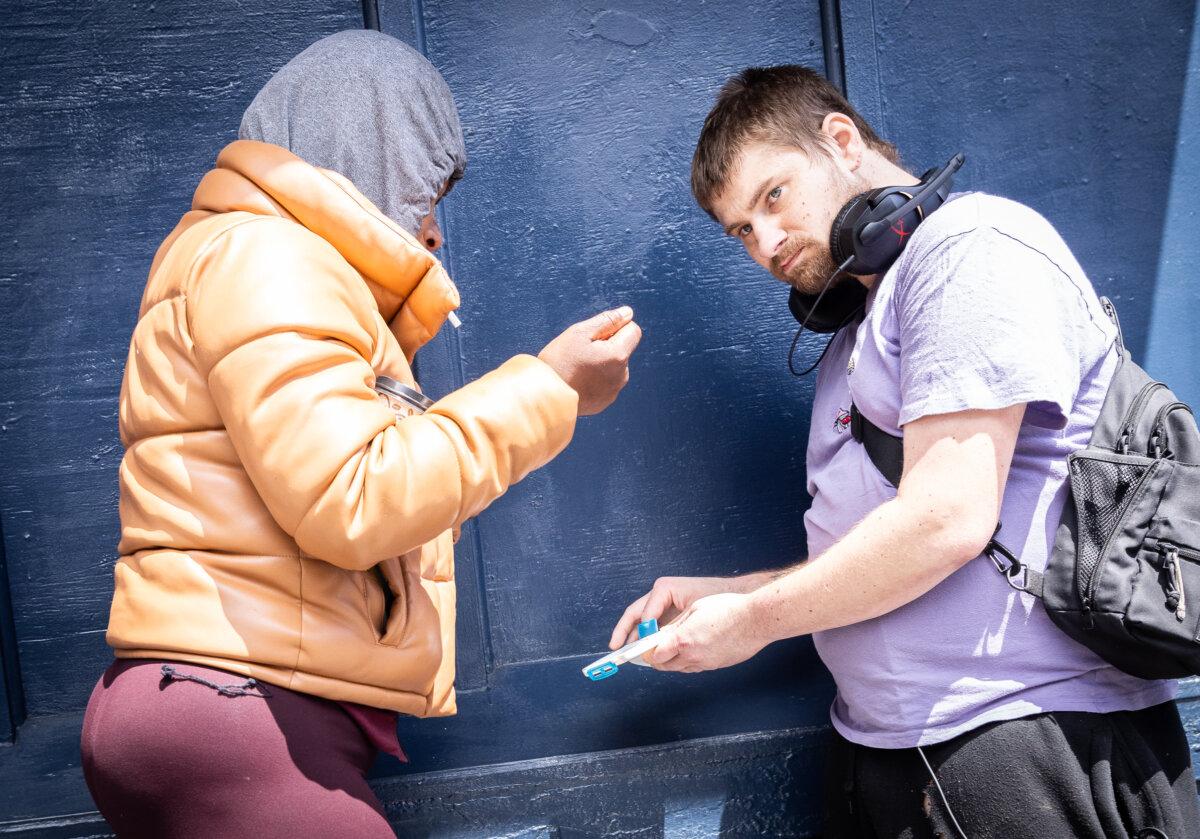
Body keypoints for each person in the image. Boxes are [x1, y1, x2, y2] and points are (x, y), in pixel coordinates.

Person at [610, 65, 1200, 838]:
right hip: (897, 752)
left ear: (842, 141)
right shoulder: (860, 325)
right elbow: (884, 537)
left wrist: (754, 619)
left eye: (774, 196)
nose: (765, 243)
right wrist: (732, 590)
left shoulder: (967, 250)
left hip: (1027, 743)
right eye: (741, 230)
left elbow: (947, 518)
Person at [81, 30, 641, 838]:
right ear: (368, 147)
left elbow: (356, 496)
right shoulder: (271, 256)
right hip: (234, 710)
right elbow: (354, 498)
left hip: (215, 704)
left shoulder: (245, 253)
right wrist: (551, 389)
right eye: (425, 189)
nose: (435, 229)